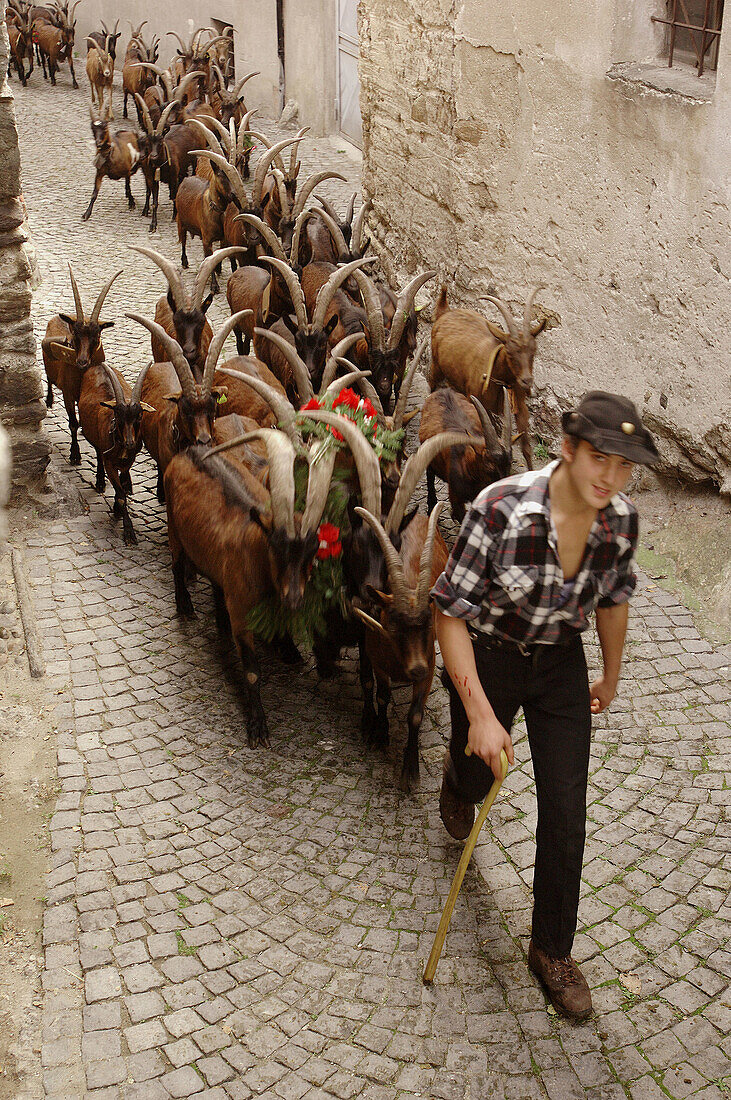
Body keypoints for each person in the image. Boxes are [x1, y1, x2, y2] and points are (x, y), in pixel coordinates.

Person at [432, 391, 659, 1019]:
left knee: (566, 804)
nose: (610, 478)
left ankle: (552, 950)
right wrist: (480, 714)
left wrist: (610, 676)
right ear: (567, 449)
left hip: (561, 662)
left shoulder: (619, 521)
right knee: (480, 771)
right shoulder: (499, 509)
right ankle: (459, 780)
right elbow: (449, 615)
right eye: (599, 459)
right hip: (492, 656)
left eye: (623, 466)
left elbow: (612, 599)